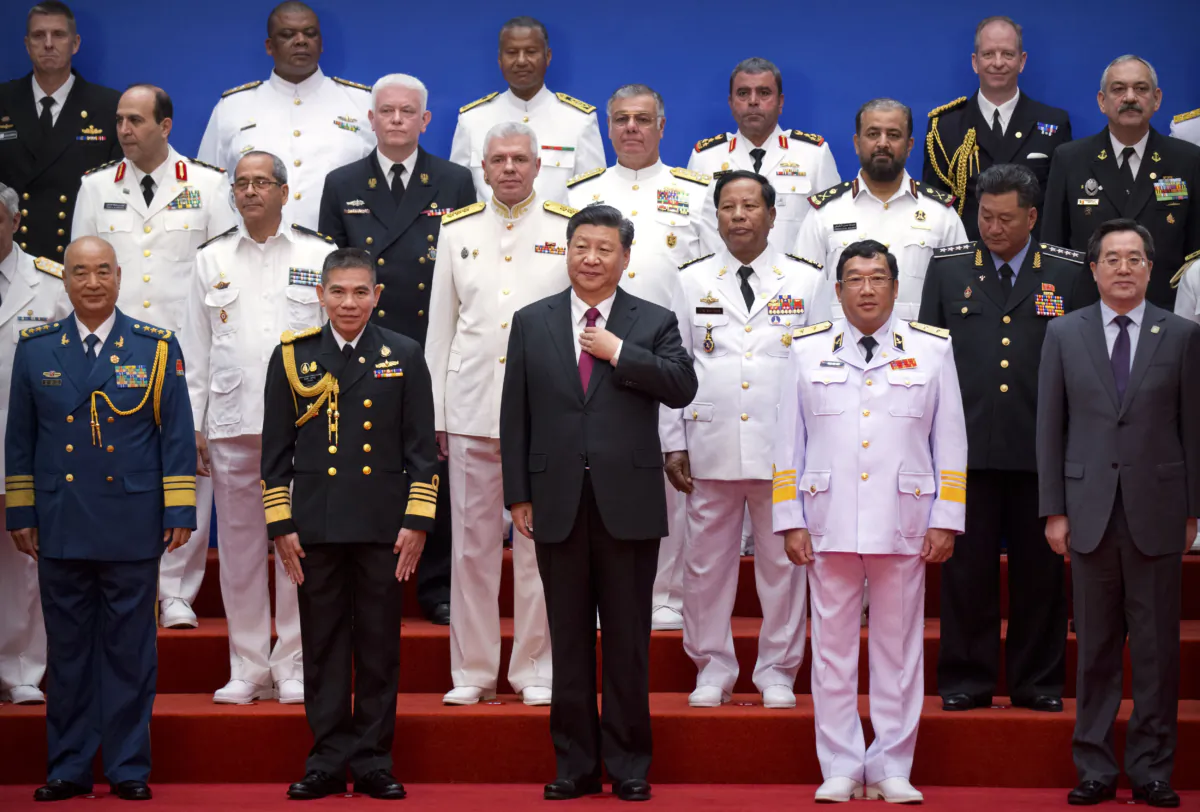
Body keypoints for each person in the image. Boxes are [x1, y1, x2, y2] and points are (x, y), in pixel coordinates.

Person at [500, 204, 697, 802]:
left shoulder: (652, 320)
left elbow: (682, 385)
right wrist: (518, 495)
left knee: (628, 642)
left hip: (628, 504)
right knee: (569, 639)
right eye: (581, 246)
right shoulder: (531, 321)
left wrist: (619, 352)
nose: (590, 258)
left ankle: (630, 765)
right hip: (555, 501)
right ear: (567, 249)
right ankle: (576, 766)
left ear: (625, 257)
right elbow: (516, 416)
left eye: (604, 248)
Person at [774, 239, 967, 804]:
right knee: (832, 651)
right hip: (827, 518)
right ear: (837, 291)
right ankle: (838, 762)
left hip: (904, 521)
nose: (866, 289)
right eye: (854, 279)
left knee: (899, 653)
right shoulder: (807, 350)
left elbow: (949, 440)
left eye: (877, 278)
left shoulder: (931, 349)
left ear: (895, 286)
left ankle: (890, 766)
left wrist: (945, 518)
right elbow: (789, 441)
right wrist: (790, 518)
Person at [6, 236, 196, 802]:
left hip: (131, 521)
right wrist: (21, 507)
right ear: (64, 280)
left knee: (130, 651)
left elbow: (177, 436)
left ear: (119, 277)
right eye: (80, 272)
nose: (92, 283)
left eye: (102, 272)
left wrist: (180, 506)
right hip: (60, 519)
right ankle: (67, 766)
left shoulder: (156, 347)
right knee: (66, 652)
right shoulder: (36, 348)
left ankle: (128, 766)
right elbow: (21, 439)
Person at [261, 248, 439, 801]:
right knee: (323, 645)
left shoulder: (404, 354)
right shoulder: (293, 357)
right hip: (315, 526)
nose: (348, 302)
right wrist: (280, 523)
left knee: (381, 647)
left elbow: (422, 451)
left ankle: (373, 761)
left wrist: (417, 520)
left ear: (377, 296)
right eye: (337, 291)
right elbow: (276, 453)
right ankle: (327, 759)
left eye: (361, 292)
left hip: (385, 528)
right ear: (320, 294)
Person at [1037, 219, 1199, 809]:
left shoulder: (1180, 335)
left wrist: (1193, 512)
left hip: (1159, 511)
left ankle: (1153, 769)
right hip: (1088, 511)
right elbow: (1050, 428)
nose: (1124, 268)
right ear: (1095, 268)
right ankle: (1096, 768)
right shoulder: (1064, 333)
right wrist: (1054, 509)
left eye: (1135, 258)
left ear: (1151, 269)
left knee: (1157, 650)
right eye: (1113, 258)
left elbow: (1193, 428)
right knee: (1098, 648)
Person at [918, 163, 1088, 713]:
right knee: (966, 575)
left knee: (1041, 577)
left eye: (1005, 219)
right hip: (964, 449)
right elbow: (926, 360)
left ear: (1032, 216)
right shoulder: (947, 270)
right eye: (984, 217)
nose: (992, 229)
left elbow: (1080, 363)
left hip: (1040, 452)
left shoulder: (1067, 272)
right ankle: (966, 678)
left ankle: (1036, 682)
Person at [659, 170, 826, 709]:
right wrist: (672, 441)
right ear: (716, 216)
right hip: (708, 442)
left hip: (784, 448)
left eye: (749, 206)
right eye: (728, 206)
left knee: (783, 564)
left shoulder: (806, 280)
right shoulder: (688, 279)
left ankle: (777, 670)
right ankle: (712, 667)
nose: (738, 215)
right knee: (705, 566)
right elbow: (672, 365)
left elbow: (819, 367)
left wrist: (817, 447)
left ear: (772, 215)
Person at [71, 84, 235, 630]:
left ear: (165, 126)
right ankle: (134, 576)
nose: (124, 130)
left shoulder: (209, 186)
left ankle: (179, 590)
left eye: (136, 120)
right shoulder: (95, 188)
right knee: (122, 462)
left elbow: (224, 271)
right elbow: (80, 270)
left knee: (190, 462)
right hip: (117, 347)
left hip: (186, 347)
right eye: (120, 120)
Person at [318, 73, 474, 626]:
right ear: (372, 118)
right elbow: (334, 275)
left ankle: (436, 586)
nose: (398, 120)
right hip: (363, 346)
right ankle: (371, 582)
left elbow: (465, 270)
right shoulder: (342, 184)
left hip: (429, 348)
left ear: (426, 120)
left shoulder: (455, 181)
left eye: (409, 112)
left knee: (429, 466)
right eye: (387, 111)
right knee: (370, 463)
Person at [179, 151, 333, 706]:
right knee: (241, 547)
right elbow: (194, 349)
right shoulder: (210, 259)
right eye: (241, 184)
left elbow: (336, 341)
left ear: (285, 192)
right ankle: (246, 665)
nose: (249, 192)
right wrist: (193, 422)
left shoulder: (319, 253)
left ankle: (292, 663)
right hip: (231, 421)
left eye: (261, 183)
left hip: (305, 424)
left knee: (297, 547)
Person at [426, 121, 571, 706]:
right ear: (482, 168)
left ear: (538, 166)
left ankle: (534, 669)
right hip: (470, 406)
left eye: (519, 158)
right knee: (471, 545)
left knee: (540, 549)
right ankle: (474, 671)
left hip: (544, 413)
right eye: (498, 159)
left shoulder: (565, 227)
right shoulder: (457, 228)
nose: (509, 168)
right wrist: (435, 408)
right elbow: (441, 325)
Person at [565, 83, 716, 630]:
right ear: (607, 128)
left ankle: (666, 593)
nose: (632, 128)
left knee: (668, 468)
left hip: (669, 348)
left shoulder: (694, 190)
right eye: (622, 119)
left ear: (661, 126)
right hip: (596, 343)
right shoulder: (581, 189)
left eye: (643, 119)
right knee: (601, 467)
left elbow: (708, 274)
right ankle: (604, 590)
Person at [1041, 55, 1200, 311]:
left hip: (1164, 315)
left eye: (1140, 88)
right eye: (1118, 89)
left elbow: (1196, 252)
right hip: (1085, 315)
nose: (1129, 98)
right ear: (1102, 101)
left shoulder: (1187, 160)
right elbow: (1052, 250)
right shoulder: (1070, 159)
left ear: (1156, 99)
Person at [197, 1, 374, 230]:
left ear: (321, 44)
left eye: (310, 34)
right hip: (252, 252)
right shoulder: (233, 107)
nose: (301, 41)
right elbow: (209, 187)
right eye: (288, 34)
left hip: (341, 253)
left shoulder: (362, 103)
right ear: (269, 46)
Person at [794, 98, 968, 322]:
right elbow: (802, 289)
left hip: (919, 351)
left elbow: (961, 292)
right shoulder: (825, 213)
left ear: (910, 145)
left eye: (894, 135)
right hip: (839, 351)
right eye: (873, 134)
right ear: (857, 143)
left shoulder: (940, 214)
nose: (883, 143)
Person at [0, 181, 69, 707]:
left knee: (23, 562)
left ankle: (22, 668)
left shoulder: (49, 283)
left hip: (26, 445)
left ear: (15, 221)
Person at [923, 16, 1071, 241]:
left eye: (1008, 54)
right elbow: (935, 207)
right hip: (967, 259)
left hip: (1032, 260)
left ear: (1022, 61)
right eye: (988, 54)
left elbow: (1059, 207)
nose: (998, 62)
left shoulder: (1054, 123)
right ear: (975, 62)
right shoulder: (945, 126)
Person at [0, 2, 120, 262]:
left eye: (58, 35)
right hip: (12, 258)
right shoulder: (3, 101)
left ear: (75, 43)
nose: (48, 44)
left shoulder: (108, 107)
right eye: (38, 35)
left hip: (78, 259)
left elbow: (118, 194)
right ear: (26, 43)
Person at [686, 57, 840, 250]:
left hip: (795, 279)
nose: (753, 101)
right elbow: (690, 232)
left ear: (780, 102)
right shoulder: (704, 158)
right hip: (721, 278)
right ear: (731, 103)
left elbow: (834, 227)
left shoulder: (814, 155)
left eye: (764, 93)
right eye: (743, 93)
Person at [450, 16, 604, 205]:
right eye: (512, 52)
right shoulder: (472, 120)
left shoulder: (579, 120)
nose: (521, 61)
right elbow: (456, 195)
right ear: (500, 60)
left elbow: (594, 198)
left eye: (531, 52)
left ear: (547, 57)